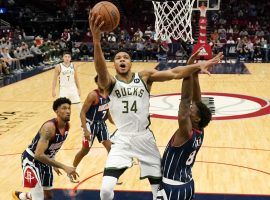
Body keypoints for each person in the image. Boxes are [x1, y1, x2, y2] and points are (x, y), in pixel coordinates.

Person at [89, 13, 223, 200]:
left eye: (126, 57)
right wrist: (96, 42)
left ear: (131, 62)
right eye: (118, 57)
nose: (122, 59)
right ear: (113, 64)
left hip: (145, 138)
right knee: (104, 192)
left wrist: (194, 67)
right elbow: (100, 71)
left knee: (157, 192)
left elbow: (176, 74)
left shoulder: (144, 76)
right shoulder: (109, 83)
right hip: (122, 139)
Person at [156, 50, 215, 200]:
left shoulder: (185, 132)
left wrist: (189, 68)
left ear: (196, 118)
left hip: (172, 188)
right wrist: (193, 72)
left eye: (191, 110)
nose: (189, 108)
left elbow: (186, 98)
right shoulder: (199, 130)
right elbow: (197, 100)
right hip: (188, 184)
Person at [12, 97, 79, 200]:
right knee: (38, 197)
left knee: (48, 196)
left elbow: (53, 146)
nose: (68, 111)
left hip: (45, 160)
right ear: (57, 111)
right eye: (64, 108)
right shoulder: (49, 128)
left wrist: (54, 163)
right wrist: (64, 167)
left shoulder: (67, 126)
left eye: (69, 108)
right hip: (32, 160)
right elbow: (38, 155)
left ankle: (23, 196)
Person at [73, 75, 113, 169]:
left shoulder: (109, 94)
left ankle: (111, 173)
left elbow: (107, 110)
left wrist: (114, 122)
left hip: (102, 124)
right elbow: (82, 113)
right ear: (97, 83)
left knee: (111, 149)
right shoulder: (93, 95)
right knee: (85, 151)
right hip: (90, 125)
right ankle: (72, 170)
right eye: (101, 81)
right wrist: (85, 129)